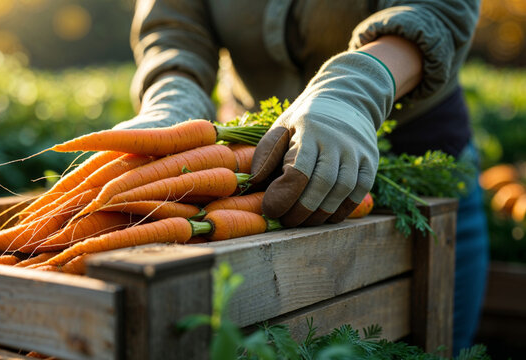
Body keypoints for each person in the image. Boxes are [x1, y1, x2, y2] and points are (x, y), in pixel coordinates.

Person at [114, 0, 488, 353]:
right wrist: (172, 102)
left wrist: (356, 89)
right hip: (258, 172)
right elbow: (172, 31)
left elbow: (437, 10)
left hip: (417, 172)